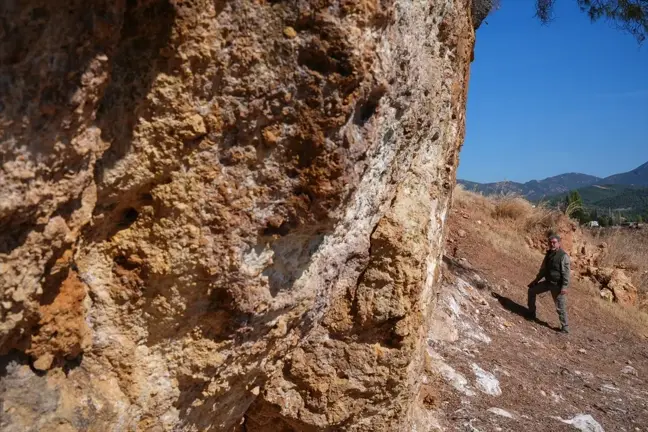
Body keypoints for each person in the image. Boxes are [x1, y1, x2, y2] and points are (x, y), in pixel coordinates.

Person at [527, 234, 570, 333]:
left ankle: (565, 328)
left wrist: (564, 287)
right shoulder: (548, 254)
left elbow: (566, 273)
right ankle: (531, 314)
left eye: (554, 242)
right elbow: (543, 270)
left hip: (557, 286)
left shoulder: (563, 256)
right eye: (550, 242)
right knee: (531, 291)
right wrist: (536, 281)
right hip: (547, 282)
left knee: (560, 307)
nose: (552, 244)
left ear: (559, 243)